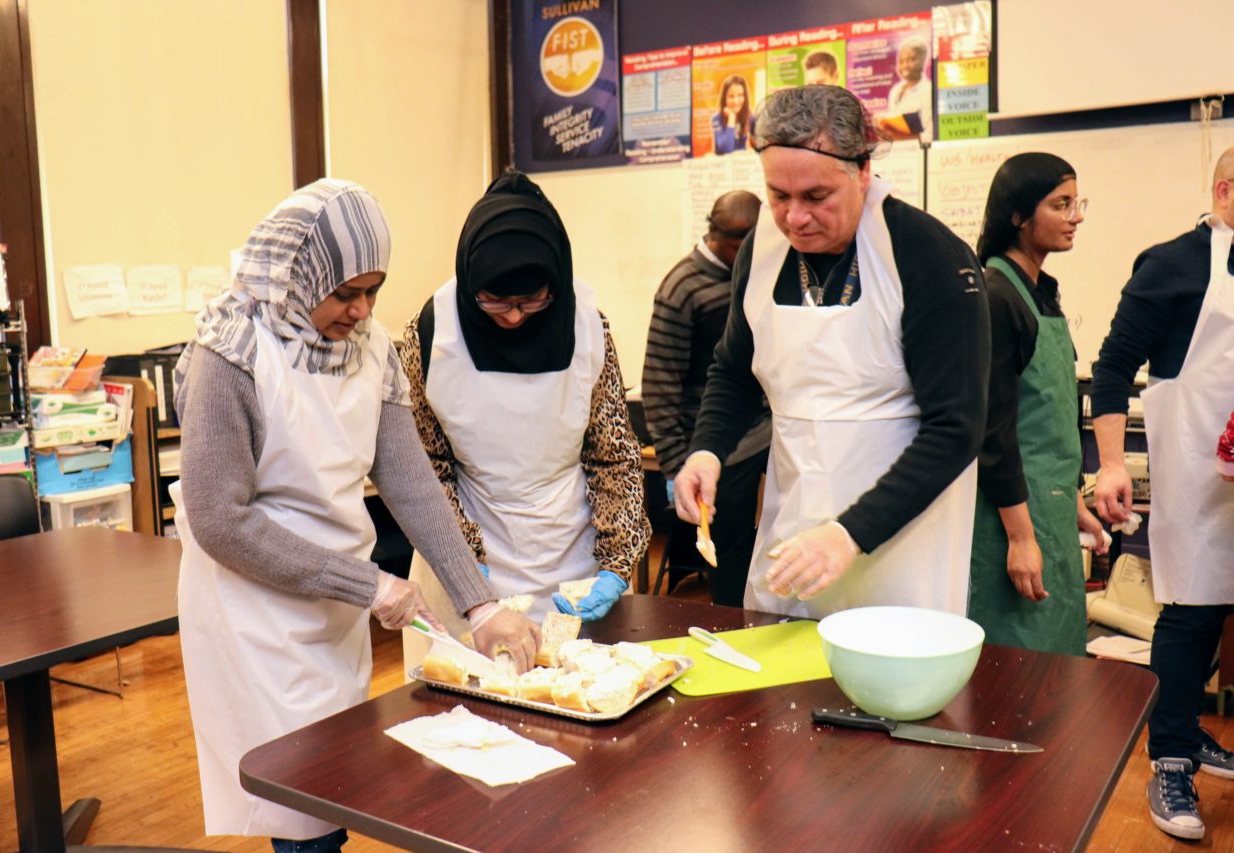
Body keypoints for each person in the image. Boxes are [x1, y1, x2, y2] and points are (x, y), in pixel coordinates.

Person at [171, 179, 538, 853]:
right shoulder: (231, 353)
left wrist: (479, 605)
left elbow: (410, 480)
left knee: (337, 780)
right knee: (301, 808)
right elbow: (220, 520)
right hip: (255, 611)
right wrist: (369, 584)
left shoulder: (370, 349)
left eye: (373, 289)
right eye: (345, 293)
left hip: (334, 601)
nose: (362, 309)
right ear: (298, 273)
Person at [674, 85, 988, 620]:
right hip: (794, 529)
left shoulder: (925, 253)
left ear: (862, 170)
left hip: (900, 540)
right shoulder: (762, 252)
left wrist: (851, 534)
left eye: (816, 197)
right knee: (782, 688)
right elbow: (735, 370)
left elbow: (956, 429)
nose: (794, 218)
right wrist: (707, 450)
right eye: (778, 195)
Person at [399, 170, 650, 669]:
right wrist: (464, 565)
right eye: (494, 301)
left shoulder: (587, 326)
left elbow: (613, 455)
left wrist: (618, 560)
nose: (513, 317)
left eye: (530, 301)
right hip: (467, 562)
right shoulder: (431, 332)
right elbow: (424, 464)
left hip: (570, 559)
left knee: (572, 695)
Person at [1092, 146, 1234, 842]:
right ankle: (1171, 755)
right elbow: (1115, 363)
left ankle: (1190, 731)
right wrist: (1113, 462)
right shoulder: (1173, 263)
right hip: (1201, 470)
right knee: (1194, 610)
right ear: (1227, 189)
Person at [968, 153, 1107, 655]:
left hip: (1047, 513)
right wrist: (1022, 539)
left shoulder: (1041, 293)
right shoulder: (997, 296)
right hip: (1009, 517)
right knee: (1018, 666)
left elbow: (1050, 424)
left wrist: (1073, 502)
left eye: (1077, 202)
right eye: (1060, 204)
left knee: (1058, 660)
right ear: (1018, 216)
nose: (1077, 216)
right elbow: (995, 432)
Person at [642, 190, 769, 606]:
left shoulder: (760, 275)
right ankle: (733, 633)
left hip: (767, 436)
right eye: (744, 243)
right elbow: (659, 385)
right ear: (717, 236)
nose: (754, 251)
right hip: (716, 452)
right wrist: (678, 467)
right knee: (729, 559)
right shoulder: (682, 288)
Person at [878, 36, 931, 142]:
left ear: (923, 61)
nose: (905, 66)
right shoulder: (895, 91)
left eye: (911, 60)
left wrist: (902, 138)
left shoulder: (928, 91)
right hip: (897, 153)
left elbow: (930, 135)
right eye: (901, 61)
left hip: (919, 153)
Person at [711, 75, 751, 155]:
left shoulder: (749, 116)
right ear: (724, 98)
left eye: (740, 95)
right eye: (731, 96)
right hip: (724, 165)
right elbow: (726, 149)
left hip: (742, 164)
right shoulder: (716, 119)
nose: (736, 101)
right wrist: (731, 118)